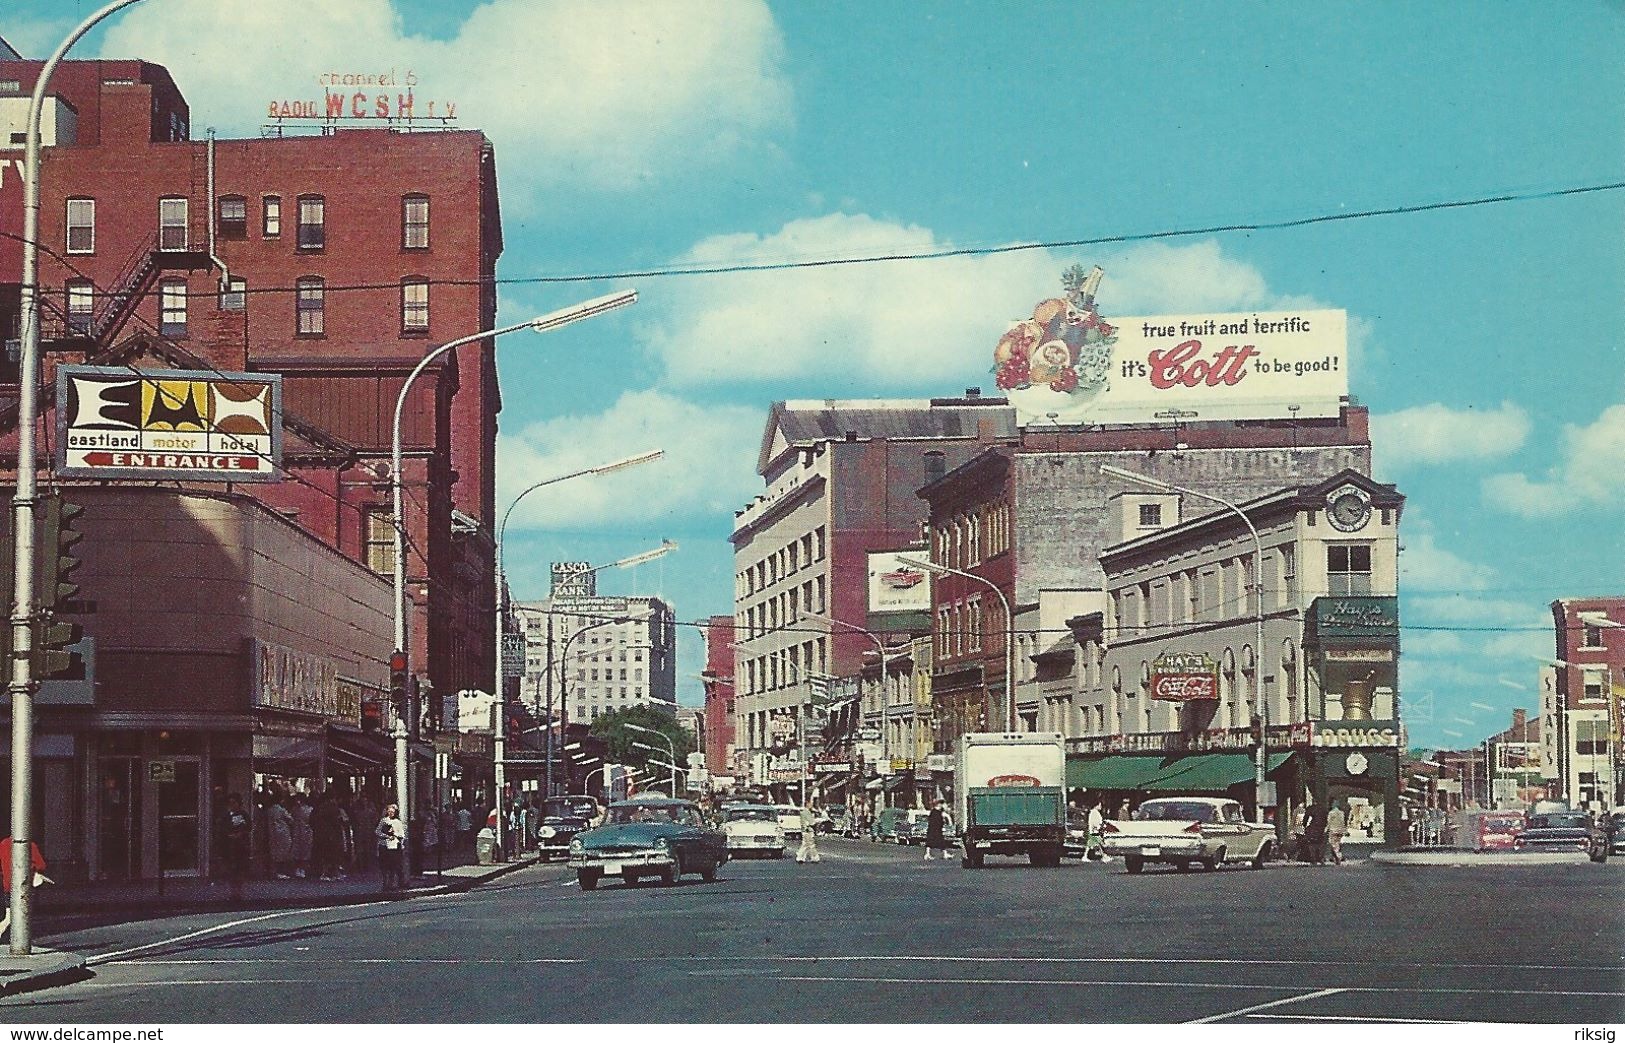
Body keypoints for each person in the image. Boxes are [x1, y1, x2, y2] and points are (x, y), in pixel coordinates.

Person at [0, 835, 49, 941]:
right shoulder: (30, 845)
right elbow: (41, 865)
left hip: (8, 886)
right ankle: (21, 940)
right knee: (23, 914)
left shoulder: (3, 843)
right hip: (24, 885)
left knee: (9, 916)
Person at [220, 794, 252, 900]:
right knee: (231, 869)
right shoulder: (226, 816)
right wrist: (229, 835)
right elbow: (223, 828)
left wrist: (241, 834)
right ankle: (233, 892)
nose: (232, 805)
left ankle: (239, 891)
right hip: (230, 846)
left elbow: (249, 826)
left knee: (240, 869)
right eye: (230, 803)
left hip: (241, 846)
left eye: (234, 803)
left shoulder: (244, 815)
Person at [376, 803, 407, 892]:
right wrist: (386, 835)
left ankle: (392, 882)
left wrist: (394, 834)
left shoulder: (397, 822)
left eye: (392, 812)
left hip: (393, 846)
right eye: (389, 811)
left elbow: (401, 834)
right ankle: (385, 883)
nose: (390, 813)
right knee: (384, 866)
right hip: (384, 845)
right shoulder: (383, 821)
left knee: (393, 866)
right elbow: (377, 831)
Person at [267, 793, 295, 879]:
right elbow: (290, 819)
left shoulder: (269, 810)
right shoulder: (281, 810)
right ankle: (281, 871)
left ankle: (274, 870)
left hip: (272, 832)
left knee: (275, 851)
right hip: (283, 832)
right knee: (283, 852)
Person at [1302, 801, 1328, 866]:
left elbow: (1305, 820)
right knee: (1319, 844)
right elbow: (1326, 820)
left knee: (1311, 844)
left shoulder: (1310, 809)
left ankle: (1313, 859)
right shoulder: (1323, 809)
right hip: (1320, 829)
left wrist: (1305, 826)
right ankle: (1320, 858)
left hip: (1312, 829)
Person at [1326, 801, 1348, 865]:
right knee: (1338, 843)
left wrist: (1326, 829)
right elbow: (1343, 822)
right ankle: (1335, 857)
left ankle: (1338, 856)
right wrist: (1344, 830)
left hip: (1333, 830)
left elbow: (1329, 822)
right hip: (1340, 830)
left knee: (1333, 844)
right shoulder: (1342, 813)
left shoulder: (1331, 813)